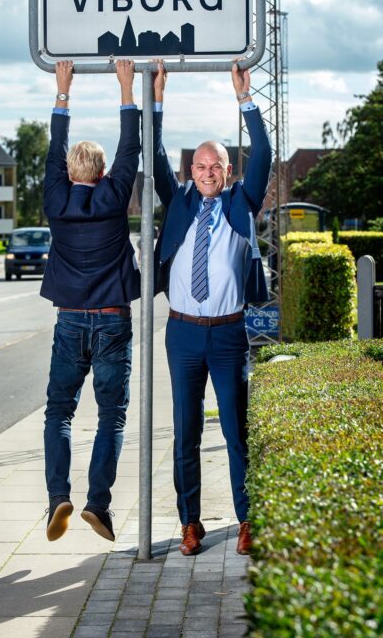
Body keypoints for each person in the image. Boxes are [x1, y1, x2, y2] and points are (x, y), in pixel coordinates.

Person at [152, 60, 272, 556]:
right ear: (191, 171)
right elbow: (154, 155)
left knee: (236, 430)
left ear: (227, 172)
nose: (206, 173)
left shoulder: (241, 203)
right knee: (186, 433)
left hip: (226, 335)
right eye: (199, 167)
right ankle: (190, 523)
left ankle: (247, 520)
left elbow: (263, 153)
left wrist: (246, 101)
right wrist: (157, 99)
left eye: (215, 167)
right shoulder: (177, 201)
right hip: (181, 334)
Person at [42, 59, 141, 542]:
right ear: (103, 174)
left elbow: (52, 152)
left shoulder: (55, 201)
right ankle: (98, 504)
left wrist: (63, 92)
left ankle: (57, 495)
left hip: (69, 324)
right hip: (111, 321)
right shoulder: (115, 196)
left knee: (59, 410)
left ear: (67, 172)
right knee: (111, 415)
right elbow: (132, 149)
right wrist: (126, 87)